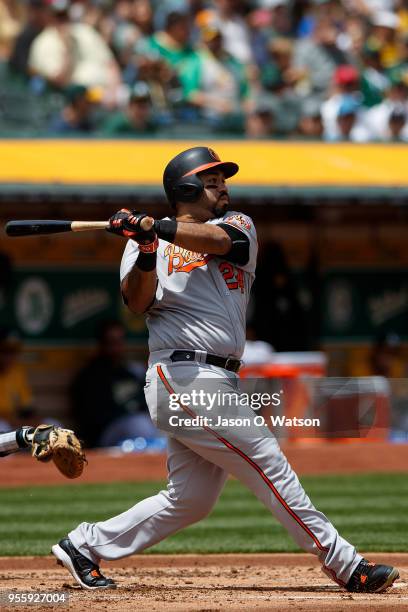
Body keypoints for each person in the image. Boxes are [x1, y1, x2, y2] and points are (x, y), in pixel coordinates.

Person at [52, 146, 399, 594]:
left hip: (219, 377)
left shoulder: (237, 226)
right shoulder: (147, 246)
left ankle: (84, 544)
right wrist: (143, 248)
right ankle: (346, 564)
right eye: (211, 180)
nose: (222, 187)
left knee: (190, 500)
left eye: (221, 180)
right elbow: (138, 301)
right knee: (269, 461)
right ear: (185, 188)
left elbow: (220, 245)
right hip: (180, 377)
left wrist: (155, 226)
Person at [70, 319, 157, 448]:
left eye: (119, 341)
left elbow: (145, 404)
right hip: (106, 434)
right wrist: (126, 413)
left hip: (135, 427)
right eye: (111, 341)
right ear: (102, 343)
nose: (116, 345)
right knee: (140, 424)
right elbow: (91, 419)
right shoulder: (90, 376)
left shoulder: (129, 372)